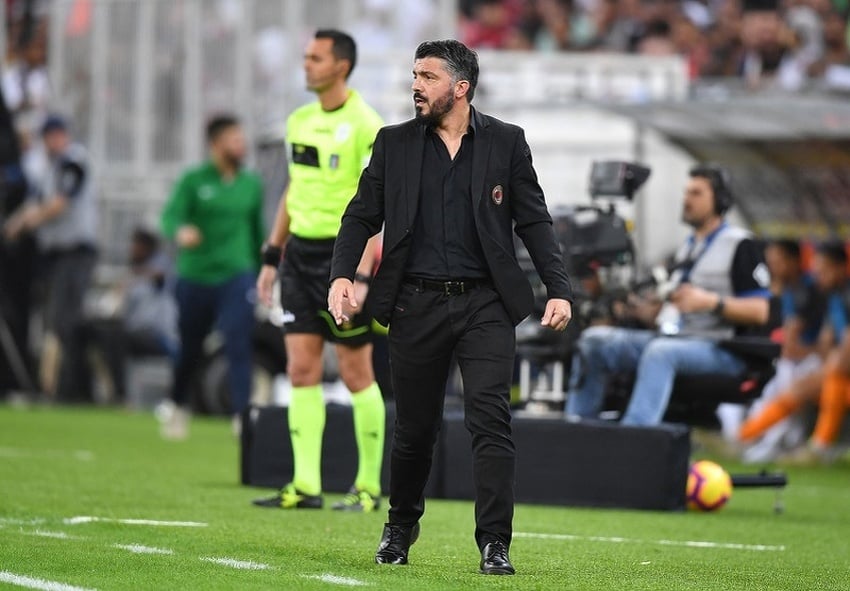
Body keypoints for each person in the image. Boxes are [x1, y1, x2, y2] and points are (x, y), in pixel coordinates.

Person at [328, 39, 573, 575]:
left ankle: (495, 543)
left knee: (491, 420)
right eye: (414, 74)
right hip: (415, 303)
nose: (415, 85)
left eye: (427, 76)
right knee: (415, 430)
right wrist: (342, 276)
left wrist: (559, 287)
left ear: (460, 88)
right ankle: (400, 526)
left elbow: (534, 220)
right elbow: (359, 216)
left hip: (485, 303)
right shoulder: (393, 144)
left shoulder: (507, 143)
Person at [251, 30, 386, 513]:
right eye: (305, 57)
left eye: (316, 58)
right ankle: (305, 485)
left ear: (341, 66)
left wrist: (364, 274)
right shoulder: (299, 122)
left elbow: (376, 206)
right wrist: (273, 254)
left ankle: (368, 487)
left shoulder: (367, 125)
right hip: (300, 258)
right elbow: (294, 189)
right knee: (301, 369)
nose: (306, 65)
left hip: (342, 259)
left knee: (354, 371)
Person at [566, 164, 771, 427]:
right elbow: (667, 313)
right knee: (594, 341)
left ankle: (632, 440)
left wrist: (710, 302)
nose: (686, 199)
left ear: (720, 199)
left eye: (696, 193)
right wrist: (642, 311)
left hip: (722, 347)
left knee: (660, 352)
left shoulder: (741, 244)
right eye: (686, 192)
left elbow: (760, 311)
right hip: (675, 338)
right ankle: (579, 429)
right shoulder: (687, 248)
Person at [160, 114, 265, 439]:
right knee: (190, 347)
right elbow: (170, 217)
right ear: (216, 145)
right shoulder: (194, 180)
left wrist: (263, 275)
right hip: (196, 276)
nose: (241, 145)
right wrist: (180, 231)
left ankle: (241, 416)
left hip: (237, 275)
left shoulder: (251, 185)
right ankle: (177, 404)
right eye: (234, 139)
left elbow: (256, 232)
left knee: (238, 342)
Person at [4, 114, 98, 401]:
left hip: (76, 253)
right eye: (51, 135)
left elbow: (59, 205)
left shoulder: (73, 161)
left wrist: (28, 223)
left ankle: (70, 389)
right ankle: (60, 387)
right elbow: (33, 203)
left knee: (64, 320)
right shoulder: (48, 168)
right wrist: (12, 226)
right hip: (55, 256)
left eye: (60, 134)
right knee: (55, 321)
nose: (56, 140)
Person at [739, 241, 849, 463]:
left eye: (824, 270)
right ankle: (745, 436)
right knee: (806, 384)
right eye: (816, 269)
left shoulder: (839, 294)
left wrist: (828, 362)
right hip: (829, 368)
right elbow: (827, 342)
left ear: (840, 267)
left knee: (826, 383)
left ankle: (816, 448)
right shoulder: (832, 295)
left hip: (835, 371)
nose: (818, 275)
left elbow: (843, 351)